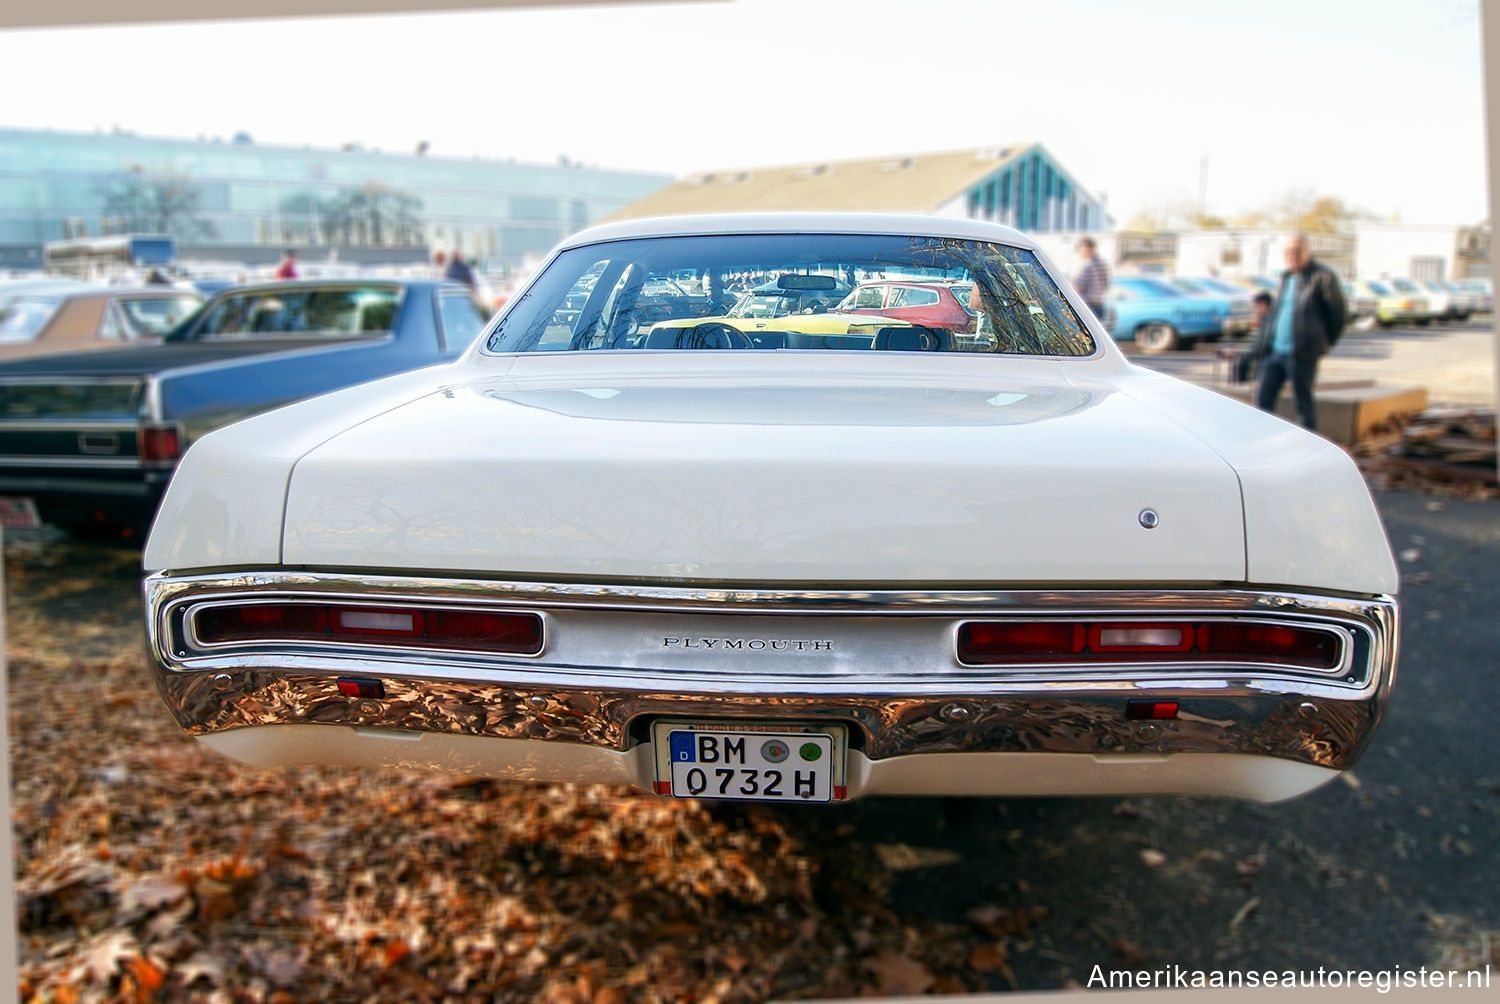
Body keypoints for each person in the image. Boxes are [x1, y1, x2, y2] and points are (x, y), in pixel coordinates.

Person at [1250, 233, 1347, 432]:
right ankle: (1260, 442)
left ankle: (1309, 449)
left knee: (1303, 406)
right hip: (1275, 353)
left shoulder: (1323, 277)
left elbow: (1338, 315)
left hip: (1302, 354)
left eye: (1297, 251)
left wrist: (1322, 343)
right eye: (1288, 252)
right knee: (1262, 401)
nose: (1292, 255)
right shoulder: (1285, 278)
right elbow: (1275, 313)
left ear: (1307, 252)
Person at [1072, 236, 1109, 319]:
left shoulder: (1087, 265)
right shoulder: (1102, 264)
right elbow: (1105, 285)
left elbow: (1078, 288)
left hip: (1088, 306)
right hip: (1099, 304)